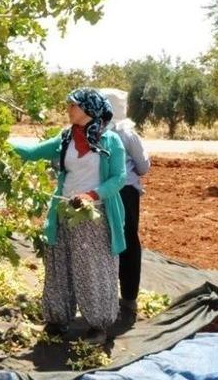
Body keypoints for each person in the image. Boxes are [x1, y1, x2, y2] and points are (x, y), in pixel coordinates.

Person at [11, 88, 127, 344]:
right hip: (64, 211)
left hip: (93, 216)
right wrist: (0, 142)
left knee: (92, 269)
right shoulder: (66, 138)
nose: (68, 109)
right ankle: (57, 320)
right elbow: (32, 153)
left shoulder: (110, 141)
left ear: (88, 109)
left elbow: (119, 177)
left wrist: (92, 195)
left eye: (73, 105)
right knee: (59, 264)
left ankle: (97, 325)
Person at [100, 88, 150, 317]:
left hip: (96, 193)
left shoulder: (90, 131)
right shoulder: (127, 134)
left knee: (101, 242)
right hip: (125, 193)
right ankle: (129, 299)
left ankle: (102, 297)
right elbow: (143, 166)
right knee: (128, 241)